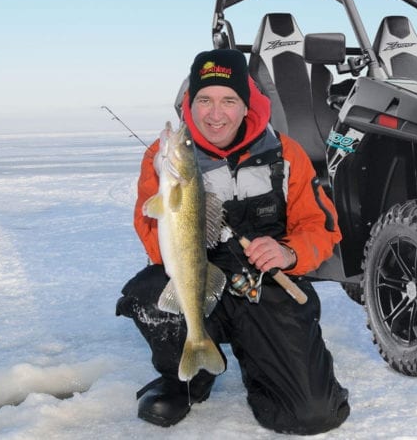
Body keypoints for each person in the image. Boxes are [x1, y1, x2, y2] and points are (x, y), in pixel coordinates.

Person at [116, 48, 350, 435]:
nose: (215, 113)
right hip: (200, 277)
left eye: (228, 100)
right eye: (204, 100)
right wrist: (166, 186)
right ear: (189, 104)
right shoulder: (163, 159)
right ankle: (189, 378)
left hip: (264, 285)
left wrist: (288, 252)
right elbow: (156, 245)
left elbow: (321, 227)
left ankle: (262, 366)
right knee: (149, 292)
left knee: (312, 414)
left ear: (247, 105)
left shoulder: (286, 153)